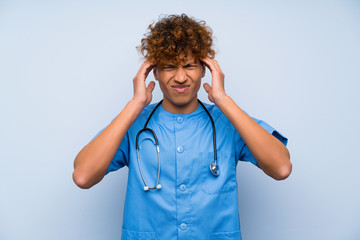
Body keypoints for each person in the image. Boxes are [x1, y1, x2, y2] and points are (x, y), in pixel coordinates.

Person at [73, 14, 292, 240]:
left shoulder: (230, 122)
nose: (180, 77)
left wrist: (223, 99)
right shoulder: (133, 124)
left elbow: (282, 168)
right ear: (154, 72)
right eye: (168, 67)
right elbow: (83, 176)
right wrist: (135, 104)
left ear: (204, 69)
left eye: (189, 65)